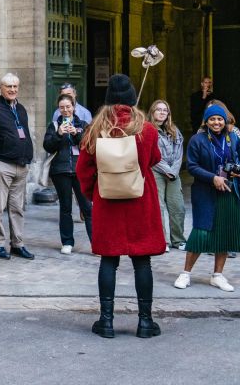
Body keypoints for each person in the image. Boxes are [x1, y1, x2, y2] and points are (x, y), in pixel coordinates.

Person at [76, 74, 165, 339]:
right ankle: (145, 322)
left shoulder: (94, 129)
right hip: (140, 201)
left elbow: (83, 170)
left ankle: (106, 321)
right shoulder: (146, 129)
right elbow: (154, 159)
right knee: (142, 262)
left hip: (108, 201)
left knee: (108, 260)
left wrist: (95, 192)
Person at [174, 104, 240, 292]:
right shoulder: (197, 140)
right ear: (206, 121)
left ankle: (217, 275)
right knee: (201, 232)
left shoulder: (232, 138)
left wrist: (238, 169)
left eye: (219, 119)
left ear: (224, 120)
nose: (216, 122)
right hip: (205, 193)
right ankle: (185, 273)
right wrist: (213, 178)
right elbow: (192, 166)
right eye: (212, 119)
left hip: (229, 192)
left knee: (225, 232)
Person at [0, 73, 35, 260]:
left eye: (15, 86)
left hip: (22, 165)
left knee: (17, 208)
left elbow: (25, 133)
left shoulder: (21, 109)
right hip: (3, 164)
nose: (12, 90)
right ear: (1, 88)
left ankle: (17, 244)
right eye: (8, 87)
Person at [43, 93, 92, 255]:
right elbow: (48, 146)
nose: (65, 110)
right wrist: (58, 134)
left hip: (80, 170)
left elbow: (89, 145)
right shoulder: (53, 125)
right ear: (59, 108)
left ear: (73, 107)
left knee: (87, 208)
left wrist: (76, 134)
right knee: (65, 208)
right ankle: (67, 242)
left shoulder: (83, 124)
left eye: (68, 107)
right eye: (62, 107)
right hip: (61, 170)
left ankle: (96, 243)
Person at [149, 99, 186, 252]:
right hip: (156, 171)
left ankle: (178, 240)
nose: (162, 112)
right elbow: (152, 154)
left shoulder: (174, 130)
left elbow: (179, 153)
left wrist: (174, 170)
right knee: (158, 207)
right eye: (159, 109)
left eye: (165, 110)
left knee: (177, 206)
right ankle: (161, 241)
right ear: (153, 112)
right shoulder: (148, 130)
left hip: (173, 172)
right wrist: (167, 170)